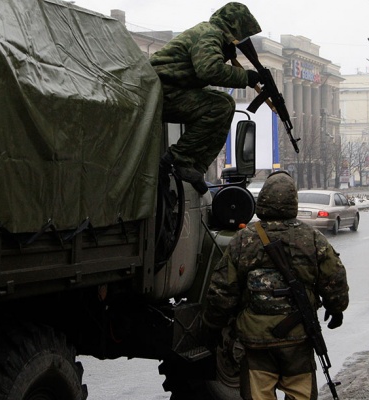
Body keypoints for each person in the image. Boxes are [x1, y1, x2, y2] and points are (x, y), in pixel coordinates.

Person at [203, 171, 349, 400]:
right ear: (294, 201)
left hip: (256, 342)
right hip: (298, 340)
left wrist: (213, 325)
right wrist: (336, 308)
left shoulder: (243, 240)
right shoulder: (312, 238)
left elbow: (223, 289)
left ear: (262, 201)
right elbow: (334, 279)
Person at [149, 2, 262, 194]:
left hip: (169, 91)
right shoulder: (209, 34)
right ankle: (178, 158)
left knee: (225, 103)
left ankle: (196, 167)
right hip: (161, 93)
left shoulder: (211, 34)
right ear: (234, 26)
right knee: (220, 105)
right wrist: (246, 77)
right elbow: (208, 70)